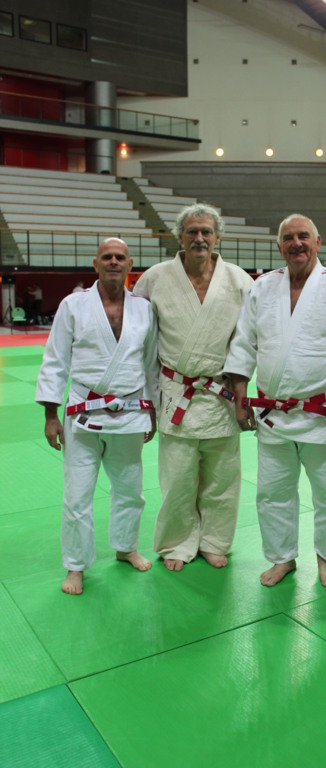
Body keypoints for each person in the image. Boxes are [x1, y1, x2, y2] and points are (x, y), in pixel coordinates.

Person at [225, 214, 326, 587]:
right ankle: (282, 558)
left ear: (318, 242)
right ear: (279, 246)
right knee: (272, 493)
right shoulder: (262, 288)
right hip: (273, 413)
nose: (296, 244)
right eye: (288, 238)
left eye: (303, 236)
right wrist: (240, 392)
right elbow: (244, 341)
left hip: (325, 413)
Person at [133, 203, 254, 572]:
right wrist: (145, 401)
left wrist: (245, 397)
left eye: (206, 232)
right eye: (192, 232)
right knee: (178, 478)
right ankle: (177, 542)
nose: (199, 238)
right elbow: (142, 344)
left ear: (218, 237)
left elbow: (247, 343)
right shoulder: (154, 279)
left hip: (222, 393)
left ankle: (215, 541)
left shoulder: (238, 281)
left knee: (222, 477)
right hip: (176, 393)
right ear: (180, 237)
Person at [36, 238, 159, 595]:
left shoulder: (144, 309)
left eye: (120, 257)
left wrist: (151, 409)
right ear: (96, 263)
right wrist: (50, 414)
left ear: (129, 263)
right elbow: (55, 360)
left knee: (131, 491)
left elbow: (151, 363)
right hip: (81, 415)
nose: (114, 262)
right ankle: (75, 566)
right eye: (107, 257)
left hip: (131, 412)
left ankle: (125, 547)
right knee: (77, 495)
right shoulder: (73, 305)